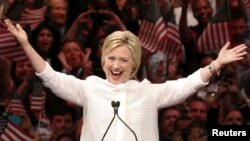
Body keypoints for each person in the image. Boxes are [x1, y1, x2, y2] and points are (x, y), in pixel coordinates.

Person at [4, 19, 248, 141]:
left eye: (123, 60)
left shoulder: (148, 92)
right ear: (103, 60)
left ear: (134, 64)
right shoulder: (90, 87)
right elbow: (49, 76)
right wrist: (25, 44)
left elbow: (187, 84)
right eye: (111, 58)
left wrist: (216, 64)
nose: (116, 65)